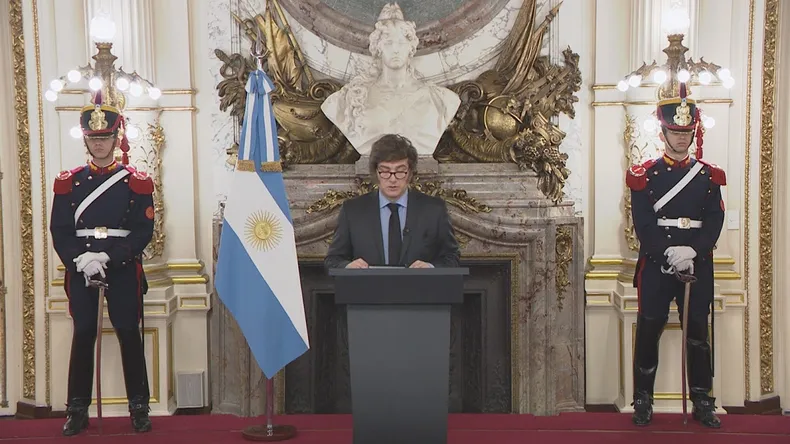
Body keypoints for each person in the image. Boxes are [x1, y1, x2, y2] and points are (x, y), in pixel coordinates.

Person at [50, 90, 155, 435]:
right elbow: (60, 230)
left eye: (105, 137)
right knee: (83, 334)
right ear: (86, 139)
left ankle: (139, 407)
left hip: (121, 267)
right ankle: (76, 409)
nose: (99, 144)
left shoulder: (135, 182)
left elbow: (142, 231)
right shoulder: (69, 182)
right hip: (82, 268)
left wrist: (108, 255)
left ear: (116, 136)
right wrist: (81, 259)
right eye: (94, 138)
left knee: (128, 332)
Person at [626, 83, 725, 428]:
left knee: (697, 334)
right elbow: (643, 223)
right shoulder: (645, 175)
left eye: (687, 132)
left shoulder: (708, 176)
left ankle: (702, 399)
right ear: (664, 131)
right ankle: (643, 399)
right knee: (649, 330)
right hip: (657, 265)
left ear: (693, 132)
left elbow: (714, 219)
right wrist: (668, 252)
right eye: (675, 132)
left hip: (696, 264)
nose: (681, 139)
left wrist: (693, 250)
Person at [320, 3, 460, 156]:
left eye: (401, 43)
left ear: (411, 48)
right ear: (378, 48)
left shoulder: (442, 99)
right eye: (388, 43)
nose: (395, 49)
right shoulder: (350, 99)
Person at [324, 134, 460, 269]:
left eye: (400, 171)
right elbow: (333, 260)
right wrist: (348, 267)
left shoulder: (434, 209)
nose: (393, 179)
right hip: (369, 289)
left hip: (419, 289)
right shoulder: (353, 210)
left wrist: (430, 267)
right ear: (376, 172)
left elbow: (452, 257)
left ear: (410, 172)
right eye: (385, 171)